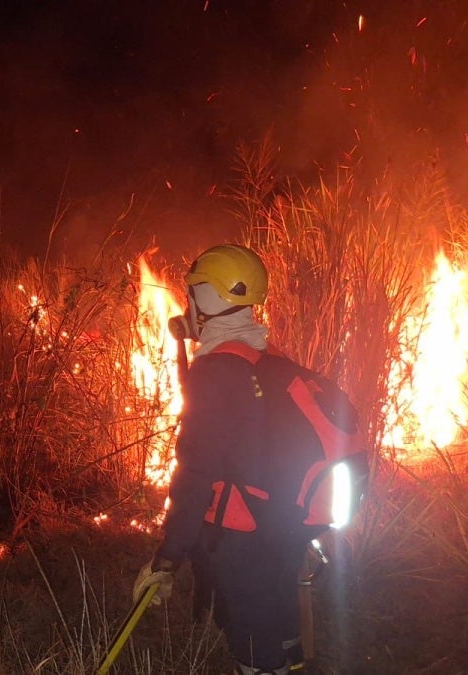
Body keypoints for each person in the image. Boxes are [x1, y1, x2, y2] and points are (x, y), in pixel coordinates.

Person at [132, 243, 308, 675]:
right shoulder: (271, 360)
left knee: (250, 632)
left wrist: (168, 557)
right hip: (286, 523)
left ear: (206, 299)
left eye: (191, 293)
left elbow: (195, 475)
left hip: (243, 533)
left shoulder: (214, 374)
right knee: (281, 615)